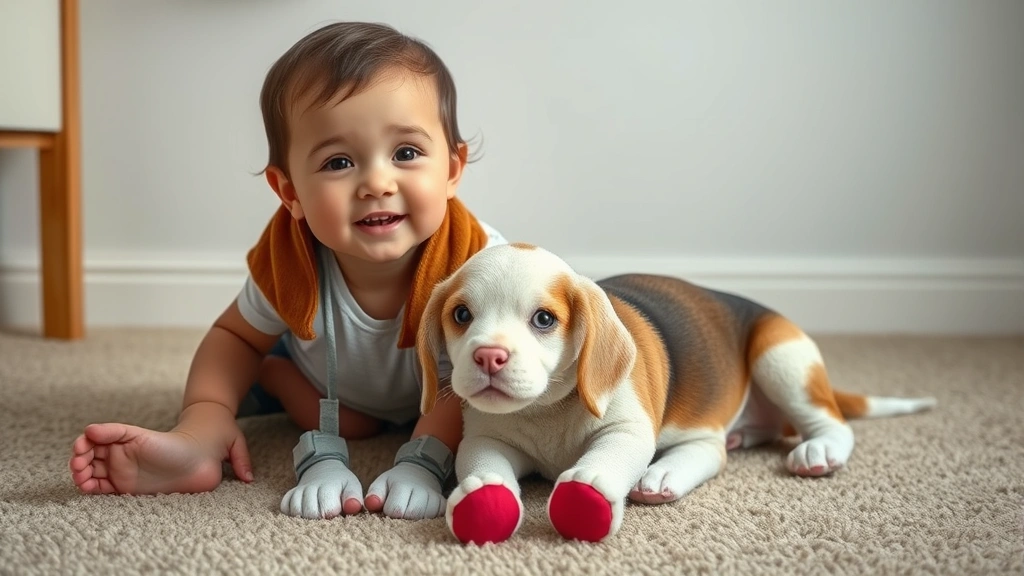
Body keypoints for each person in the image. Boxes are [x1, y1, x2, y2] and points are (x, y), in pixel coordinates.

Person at [68, 21, 506, 521]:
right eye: (339, 162)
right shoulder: (292, 257)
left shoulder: (479, 263)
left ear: (451, 170)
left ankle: (376, 424)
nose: (376, 182)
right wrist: (201, 422)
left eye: (406, 153)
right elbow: (233, 336)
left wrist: (423, 460)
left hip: (441, 390)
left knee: (482, 400)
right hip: (333, 389)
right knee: (343, 421)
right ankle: (228, 420)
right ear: (290, 191)